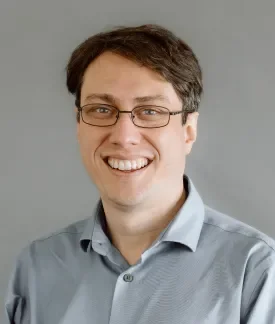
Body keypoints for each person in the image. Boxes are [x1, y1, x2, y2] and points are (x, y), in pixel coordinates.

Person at [5, 24, 275, 324]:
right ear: (78, 124)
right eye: (101, 109)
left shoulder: (257, 269)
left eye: (150, 112)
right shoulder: (36, 267)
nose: (123, 136)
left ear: (188, 131)